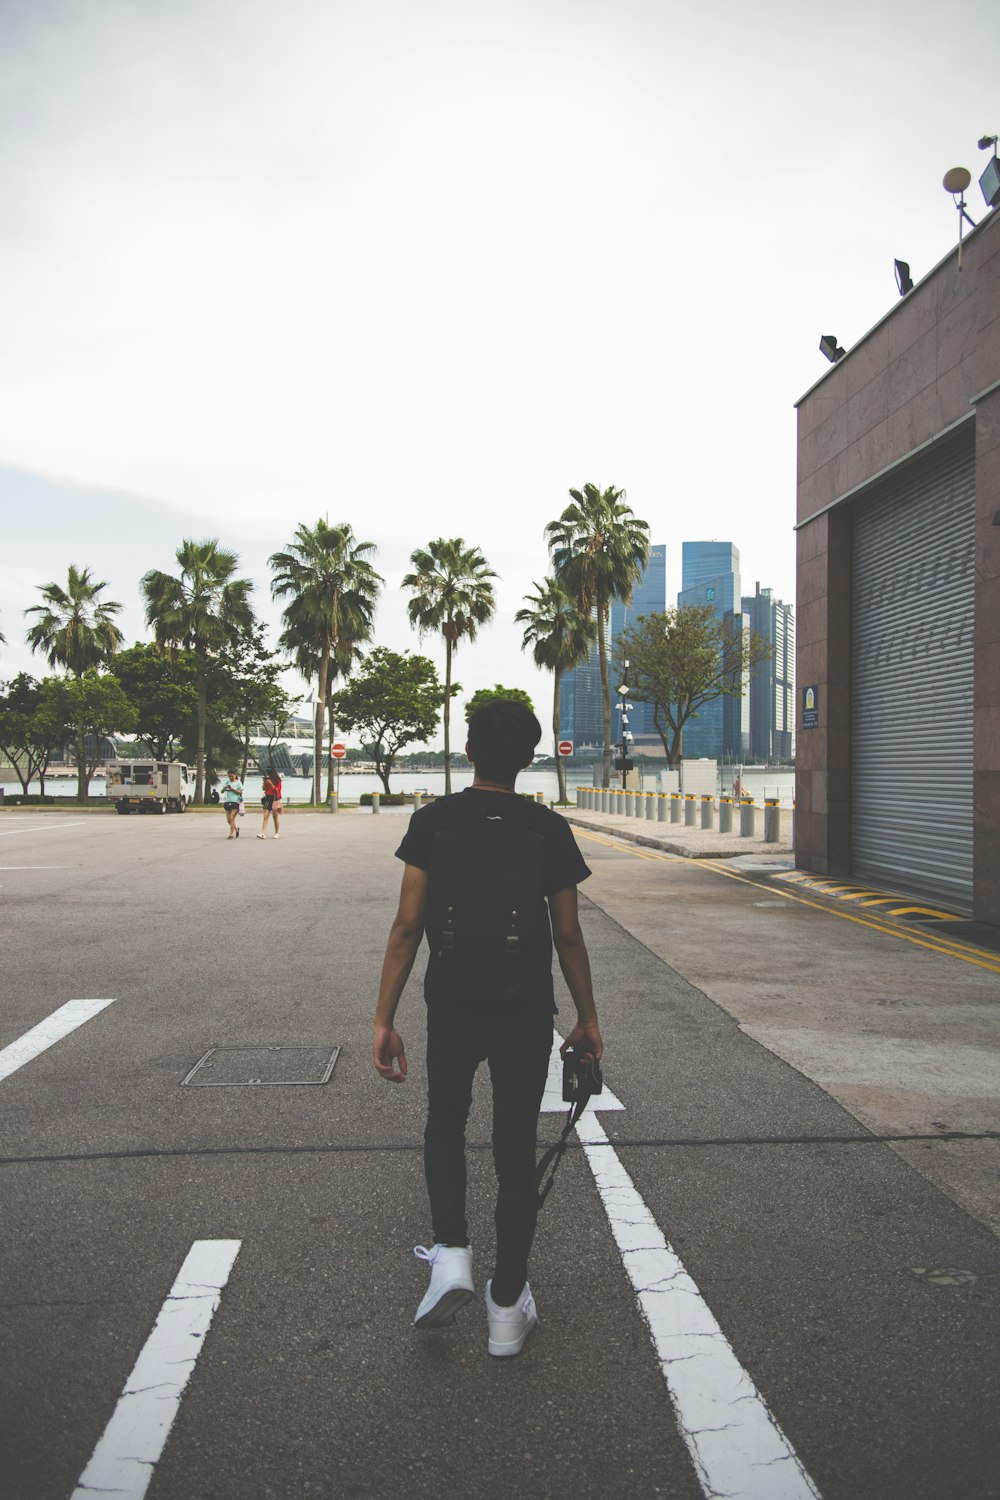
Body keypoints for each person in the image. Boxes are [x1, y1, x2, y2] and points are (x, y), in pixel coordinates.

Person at [373, 700, 602, 1358]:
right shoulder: (547, 829)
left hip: (452, 1001)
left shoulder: (433, 822)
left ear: (468, 751)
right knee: (512, 1146)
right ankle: (507, 1305)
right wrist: (587, 1017)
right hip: (524, 1006)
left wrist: (384, 1018)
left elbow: (408, 925)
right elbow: (566, 933)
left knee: (445, 1122)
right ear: (529, 757)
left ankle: (450, 1256)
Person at [258, 769, 283, 839]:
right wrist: (265, 783)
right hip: (267, 798)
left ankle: (276, 832)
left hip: (274, 799)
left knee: (275, 817)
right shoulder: (267, 779)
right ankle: (263, 833)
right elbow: (263, 789)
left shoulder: (277, 780)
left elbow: (277, 790)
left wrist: (271, 783)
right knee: (265, 816)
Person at [221, 770, 243, 838]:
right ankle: (236, 828)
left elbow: (240, 792)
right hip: (228, 802)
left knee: (232, 818)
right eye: (229, 776)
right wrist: (224, 788)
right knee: (228, 820)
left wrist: (232, 789)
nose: (230, 777)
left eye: (232, 776)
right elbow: (221, 791)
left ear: (235, 775)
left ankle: (231, 834)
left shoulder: (238, 783)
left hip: (235, 802)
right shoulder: (227, 782)